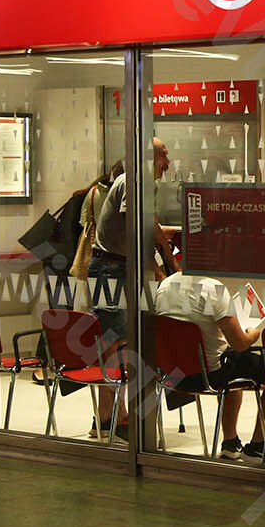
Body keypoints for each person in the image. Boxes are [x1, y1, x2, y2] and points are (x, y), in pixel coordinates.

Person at [152, 271, 265, 464]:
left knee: (233, 363)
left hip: (173, 374)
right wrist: (253, 333)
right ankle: (258, 446)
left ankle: (231, 443)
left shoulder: (165, 285)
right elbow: (240, 344)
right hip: (210, 375)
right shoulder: (213, 289)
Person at [86, 139, 171, 441]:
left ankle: (116, 415)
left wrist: (167, 259)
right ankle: (109, 417)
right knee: (112, 343)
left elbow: (150, 224)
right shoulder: (131, 181)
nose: (168, 163)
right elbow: (136, 227)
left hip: (122, 268)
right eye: (163, 156)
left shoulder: (146, 184)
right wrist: (157, 267)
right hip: (110, 268)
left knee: (121, 341)